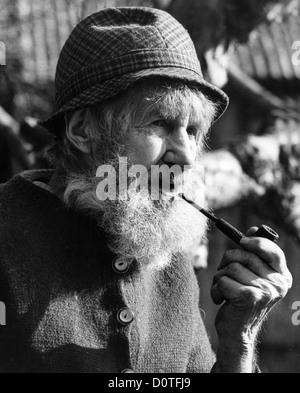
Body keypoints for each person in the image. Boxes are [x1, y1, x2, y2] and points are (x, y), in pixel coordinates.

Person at [0, 7, 292, 373]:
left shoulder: (163, 257)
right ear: (81, 130)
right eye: (160, 123)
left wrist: (238, 343)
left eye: (193, 131)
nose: (186, 156)